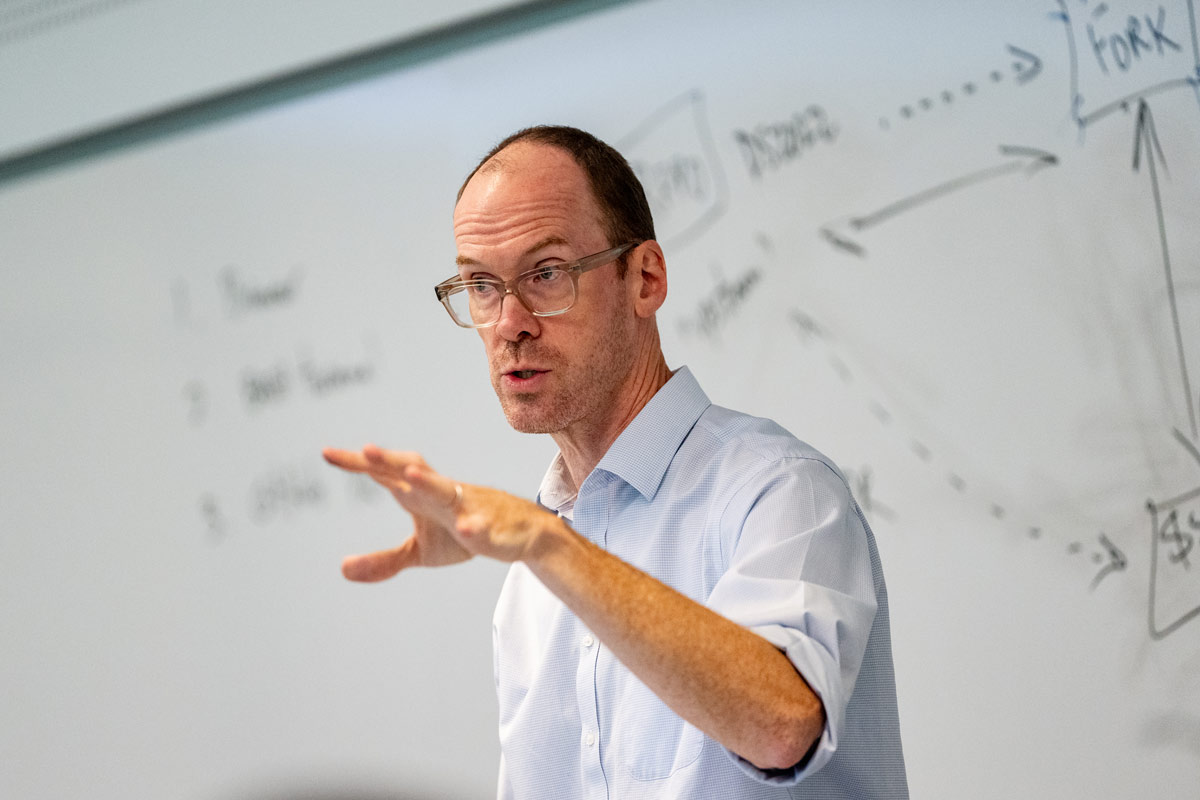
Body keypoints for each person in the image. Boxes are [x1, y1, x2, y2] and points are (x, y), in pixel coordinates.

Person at [323, 126, 907, 799]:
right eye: (481, 285)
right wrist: (546, 548)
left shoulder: (778, 492)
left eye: (546, 275)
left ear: (646, 278)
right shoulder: (530, 575)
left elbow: (782, 724)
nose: (509, 322)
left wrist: (549, 547)